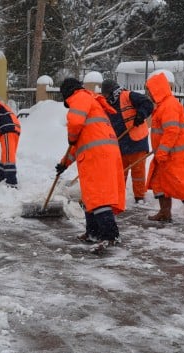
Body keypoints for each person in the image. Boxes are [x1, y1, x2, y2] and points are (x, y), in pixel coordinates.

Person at [55, 78, 125, 254]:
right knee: (90, 195)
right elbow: (77, 145)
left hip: (98, 155)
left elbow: (75, 125)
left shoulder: (79, 97)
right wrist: (64, 164)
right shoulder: (89, 102)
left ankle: (110, 235)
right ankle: (93, 232)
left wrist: (71, 136)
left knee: (98, 195)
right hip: (99, 153)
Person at [145, 70, 184, 231]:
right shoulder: (162, 106)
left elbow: (172, 131)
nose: (149, 94)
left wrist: (163, 151)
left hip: (177, 155)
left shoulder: (170, 105)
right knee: (159, 182)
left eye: (150, 91)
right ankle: (165, 212)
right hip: (165, 153)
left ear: (157, 90)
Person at [101, 79, 153, 205]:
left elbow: (147, 104)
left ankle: (139, 198)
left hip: (137, 140)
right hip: (120, 143)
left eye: (107, 94)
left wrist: (141, 115)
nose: (106, 97)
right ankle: (117, 195)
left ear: (112, 91)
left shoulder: (128, 95)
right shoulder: (108, 104)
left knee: (138, 172)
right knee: (119, 172)